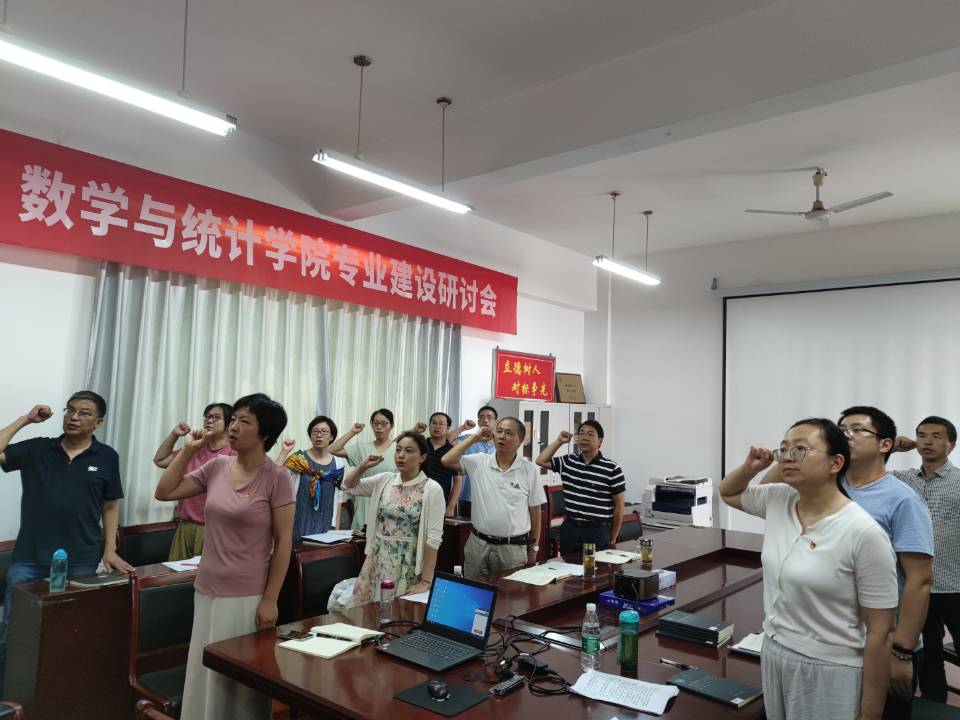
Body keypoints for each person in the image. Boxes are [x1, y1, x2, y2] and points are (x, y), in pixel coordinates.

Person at [762, 406, 935, 718]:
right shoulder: (826, 487)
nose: (846, 435)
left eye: (857, 430)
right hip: (838, 641)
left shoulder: (902, 499)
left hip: (884, 641)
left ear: (885, 445)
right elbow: (765, 489)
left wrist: (901, 652)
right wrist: (790, 451)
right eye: (841, 430)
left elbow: (919, 581)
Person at [721, 418, 898, 720]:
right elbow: (727, 492)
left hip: (830, 666)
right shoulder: (778, 499)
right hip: (774, 649)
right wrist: (751, 467)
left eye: (801, 449)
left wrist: (870, 713)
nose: (788, 457)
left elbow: (880, 631)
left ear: (835, 463)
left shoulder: (863, 533)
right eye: (784, 449)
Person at [155, 393, 294, 720]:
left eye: (245, 421)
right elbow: (165, 492)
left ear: (265, 434)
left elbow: (284, 542)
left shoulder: (277, 477)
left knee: (237, 680)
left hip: (246, 594)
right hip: (206, 587)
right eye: (233, 419)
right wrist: (189, 450)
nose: (233, 426)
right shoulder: (216, 466)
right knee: (203, 670)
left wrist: (270, 600)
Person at [0, 391, 134, 690]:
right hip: (30, 558)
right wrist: (25, 419)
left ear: (98, 422)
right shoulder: (39, 448)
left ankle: (60, 693)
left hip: (81, 560)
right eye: (70, 410)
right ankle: (9, 696)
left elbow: (110, 505)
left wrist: (110, 549)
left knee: (70, 630)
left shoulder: (107, 456)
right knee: (16, 629)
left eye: (84, 413)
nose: (74, 417)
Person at [891, 416, 960, 703]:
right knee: (929, 655)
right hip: (917, 587)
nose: (926, 441)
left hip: (955, 583)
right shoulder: (902, 479)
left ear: (951, 445)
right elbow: (866, 475)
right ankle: (934, 707)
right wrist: (892, 447)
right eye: (921, 435)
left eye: (935, 436)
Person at [343, 431, 445, 602]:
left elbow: (433, 539)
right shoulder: (385, 480)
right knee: (369, 610)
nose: (401, 455)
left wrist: (426, 581)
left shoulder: (432, 489)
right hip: (377, 558)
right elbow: (348, 486)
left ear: (422, 457)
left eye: (408, 451)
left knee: (396, 611)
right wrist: (362, 467)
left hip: (408, 562)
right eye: (398, 450)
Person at [442, 418, 545, 580]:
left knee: (510, 594)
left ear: (520, 441)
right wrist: (475, 437)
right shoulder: (479, 461)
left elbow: (535, 511)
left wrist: (534, 548)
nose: (502, 436)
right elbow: (446, 460)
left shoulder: (529, 470)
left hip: (512, 548)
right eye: (499, 431)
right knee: (474, 591)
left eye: (508, 433)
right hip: (478, 544)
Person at [152, 402, 236, 560]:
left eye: (216, 417)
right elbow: (160, 460)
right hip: (185, 526)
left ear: (230, 423)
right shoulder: (194, 448)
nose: (209, 420)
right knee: (177, 573)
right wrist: (174, 435)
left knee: (207, 574)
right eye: (207, 416)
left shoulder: (234, 453)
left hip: (215, 528)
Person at [535, 420, 626, 555]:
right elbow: (540, 460)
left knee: (595, 567)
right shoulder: (568, 461)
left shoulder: (612, 468)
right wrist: (559, 441)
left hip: (597, 531)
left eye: (590, 434)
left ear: (600, 441)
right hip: (570, 529)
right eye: (581, 434)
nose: (584, 437)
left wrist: (613, 535)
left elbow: (619, 506)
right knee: (567, 567)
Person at [329, 409, 425, 531]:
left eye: (383, 424)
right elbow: (332, 449)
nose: (379, 427)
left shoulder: (398, 450)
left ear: (392, 425)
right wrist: (352, 432)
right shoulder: (361, 448)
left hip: (392, 503)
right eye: (375, 423)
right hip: (364, 502)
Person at [276, 415, 346, 539]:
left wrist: (336, 530)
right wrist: (284, 451)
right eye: (315, 431)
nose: (319, 435)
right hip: (298, 523)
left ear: (331, 436)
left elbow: (339, 498)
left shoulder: (338, 464)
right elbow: (274, 477)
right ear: (310, 435)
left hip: (326, 525)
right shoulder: (299, 460)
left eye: (324, 431)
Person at [452, 405, 497, 518]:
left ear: (496, 422)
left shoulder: (501, 443)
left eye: (489, 417)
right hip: (470, 498)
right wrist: (463, 428)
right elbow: (446, 442)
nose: (485, 420)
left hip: (494, 498)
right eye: (482, 417)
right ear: (478, 422)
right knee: (468, 528)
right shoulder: (468, 439)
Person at [420, 411, 462, 516]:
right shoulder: (420, 446)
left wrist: (451, 506)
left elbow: (457, 480)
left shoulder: (453, 451)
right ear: (429, 426)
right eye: (434, 423)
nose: (437, 427)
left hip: (439, 500)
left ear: (448, 428)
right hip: (416, 498)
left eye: (441, 424)